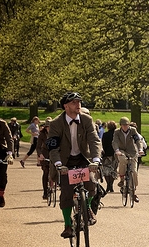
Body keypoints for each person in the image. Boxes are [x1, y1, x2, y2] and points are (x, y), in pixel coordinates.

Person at [47, 92, 102, 238]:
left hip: (83, 158)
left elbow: (94, 140)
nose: (78, 105)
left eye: (79, 102)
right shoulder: (56, 123)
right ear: (65, 106)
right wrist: (58, 164)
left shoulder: (86, 120)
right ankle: (67, 225)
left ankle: (88, 207)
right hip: (65, 161)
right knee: (66, 192)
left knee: (91, 184)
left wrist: (96, 159)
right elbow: (52, 147)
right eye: (74, 103)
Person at [112, 117, 144, 202]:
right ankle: (122, 179)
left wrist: (140, 149)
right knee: (122, 160)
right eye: (123, 125)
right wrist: (117, 150)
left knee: (134, 171)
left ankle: (134, 191)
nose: (125, 127)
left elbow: (138, 140)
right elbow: (114, 142)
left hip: (132, 151)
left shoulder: (133, 130)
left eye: (127, 125)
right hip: (121, 150)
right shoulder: (117, 132)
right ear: (121, 125)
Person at [37, 117, 53, 200]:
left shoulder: (56, 134)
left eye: (51, 127)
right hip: (45, 154)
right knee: (46, 172)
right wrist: (40, 155)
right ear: (45, 128)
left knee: (56, 171)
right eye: (48, 127)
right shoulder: (42, 135)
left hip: (54, 154)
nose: (49, 129)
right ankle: (45, 192)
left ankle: (55, 184)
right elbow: (38, 147)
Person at [101, 120, 118, 193]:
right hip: (115, 154)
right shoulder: (117, 134)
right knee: (113, 170)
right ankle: (111, 184)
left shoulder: (105, 135)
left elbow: (103, 145)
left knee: (106, 170)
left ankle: (108, 184)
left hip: (107, 154)